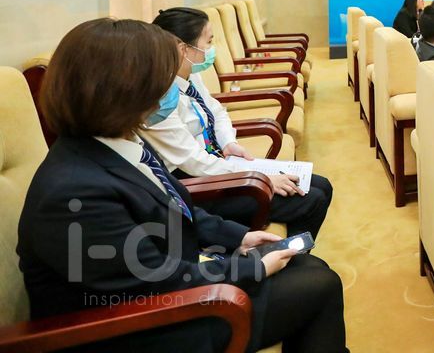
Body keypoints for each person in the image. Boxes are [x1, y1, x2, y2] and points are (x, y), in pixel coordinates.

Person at [17, 18, 346, 352]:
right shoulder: (75, 192)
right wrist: (253, 267)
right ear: (125, 90)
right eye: (161, 78)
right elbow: (156, 284)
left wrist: (239, 237)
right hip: (133, 327)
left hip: (163, 290)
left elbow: (175, 204)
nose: (170, 87)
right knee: (318, 284)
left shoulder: (119, 143)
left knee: (307, 266)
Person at [147, 7, 334, 239]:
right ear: (183, 48)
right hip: (197, 187)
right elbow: (193, 162)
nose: (211, 49)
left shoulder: (189, 74)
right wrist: (258, 177)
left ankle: (292, 250)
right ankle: (289, 255)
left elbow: (216, 111)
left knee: (322, 185)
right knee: (312, 199)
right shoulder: (160, 99)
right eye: (208, 42)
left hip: (217, 164)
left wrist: (228, 142)